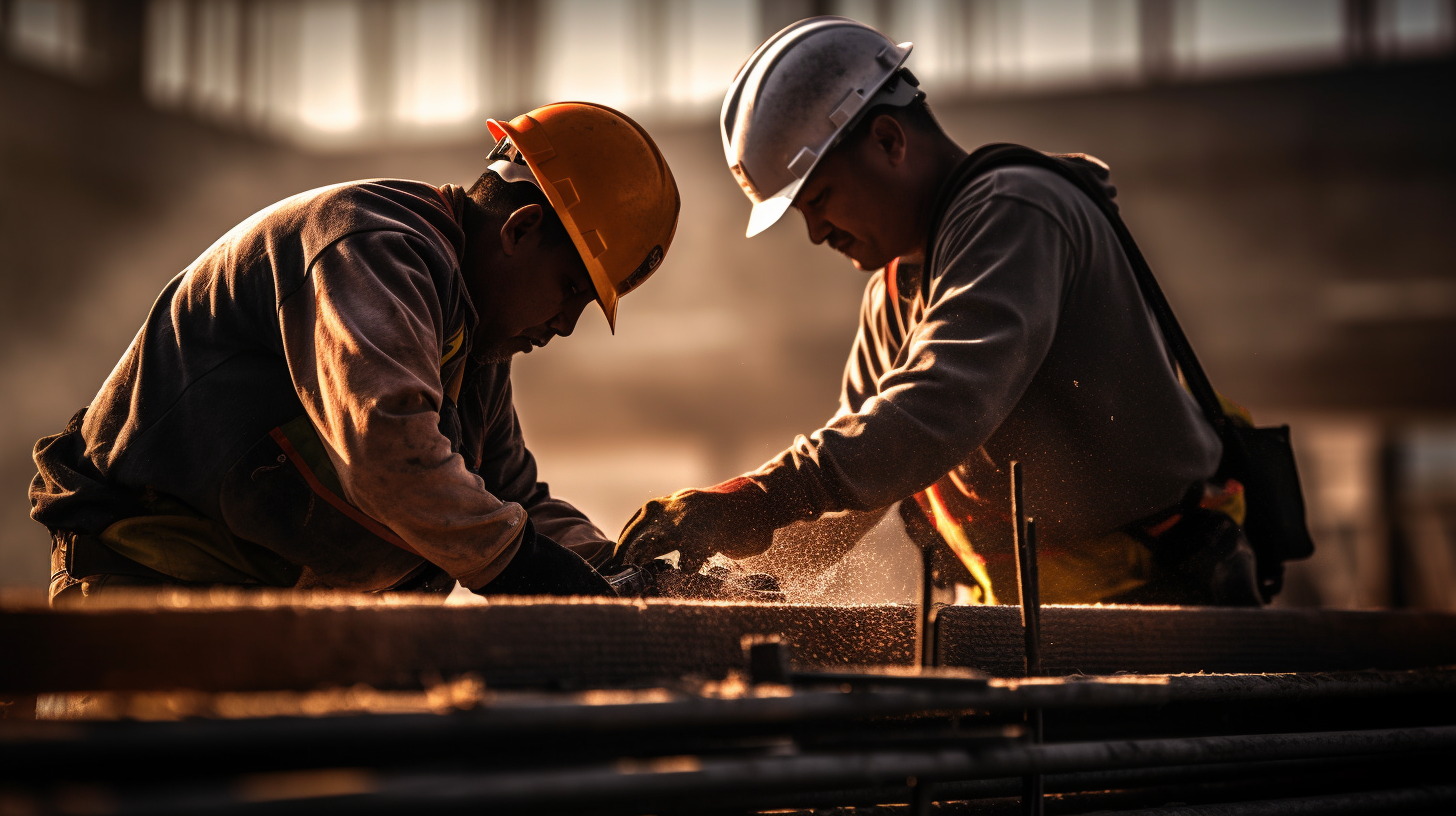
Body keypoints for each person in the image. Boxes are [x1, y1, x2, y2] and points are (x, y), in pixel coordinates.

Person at [614, 17, 1262, 606]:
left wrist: (760, 496)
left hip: (1161, 592)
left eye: (821, 198)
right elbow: (864, 474)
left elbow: (940, 407)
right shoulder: (893, 292)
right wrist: (721, 572)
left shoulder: (1015, 210)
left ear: (890, 140)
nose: (816, 233)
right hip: (1034, 606)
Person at [32, 102, 679, 605]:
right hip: (149, 583)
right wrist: (535, 573)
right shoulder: (373, 249)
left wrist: (633, 576)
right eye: (570, 290)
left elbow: (512, 497)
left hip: (261, 609)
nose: (565, 325)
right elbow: (388, 449)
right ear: (521, 227)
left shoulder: (469, 338)